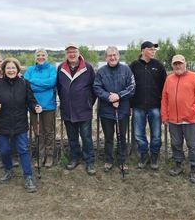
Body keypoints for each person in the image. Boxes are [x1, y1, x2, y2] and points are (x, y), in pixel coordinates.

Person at [0, 57, 41, 193]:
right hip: (2, 123)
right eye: (8, 68)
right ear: (4, 70)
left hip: (20, 123)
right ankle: (8, 170)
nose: (11, 70)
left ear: (17, 69)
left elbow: (31, 101)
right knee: (4, 150)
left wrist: (36, 107)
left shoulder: (24, 83)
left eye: (13, 68)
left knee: (23, 149)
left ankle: (28, 177)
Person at [161, 55, 195, 183]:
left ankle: (194, 168)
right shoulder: (169, 79)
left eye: (180, 63)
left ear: (185, 63)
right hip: (174, 120)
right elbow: (164, 98)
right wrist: (165, 115)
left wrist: (191, 111)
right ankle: (178, 164)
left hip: (190, 119)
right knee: (175, 143)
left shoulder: (194, 78)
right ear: (172, 65)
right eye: (175, 64)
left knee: (193, 145)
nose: (178, 66)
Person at [94, 46, 135, 173]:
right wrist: (109, 97)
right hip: (106, 111)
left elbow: (132, 87)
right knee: (108, 137)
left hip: (122, 110)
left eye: (115, 55)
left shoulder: (126, 70)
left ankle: (122, 160)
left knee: (122, 136)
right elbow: (96, 88)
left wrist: (119, 96)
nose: (112, 57)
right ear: (106, 57)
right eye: (110, 55)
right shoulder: (101, 71)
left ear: (118, 56)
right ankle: (108, 160)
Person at [57, 43, 97, 175]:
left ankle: (89, 161)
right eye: (69, 52)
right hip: (68, 110)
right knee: (72, 137)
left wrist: (89, 102)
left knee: (86, 137)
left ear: (78, 53)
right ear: (66, 54)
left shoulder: (88, 67)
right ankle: (75, 158)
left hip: (84, 109)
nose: (72, 54)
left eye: (74, 51)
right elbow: (59, 88)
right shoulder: (61, 68)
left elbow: (94, 88)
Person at [129, 41, 167, 169]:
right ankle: (144, 155)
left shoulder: (159, 66)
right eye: (150, 49)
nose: (153, 51)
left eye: (154, 50)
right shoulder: (133, 66)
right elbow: (128, 85)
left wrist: (164, 104)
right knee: (139, 134)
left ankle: (154, 156)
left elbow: (165, 86)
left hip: (155, 106)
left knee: (156, 135)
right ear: (143, 50)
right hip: (138, 106)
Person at [24, 48, 57, 168]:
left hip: (48, 105)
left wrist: (34, 82)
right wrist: (44, 85)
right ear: (35, 57)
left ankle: (49, 156)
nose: (41, 57)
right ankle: (40, 155)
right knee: (38, 131)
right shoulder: (30, 70)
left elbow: (52, 83)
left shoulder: (52, 69)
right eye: (38, 55)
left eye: (43, 55)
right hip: (33, 105)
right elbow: (27, 86)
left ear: (46, 57)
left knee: (49, 131)